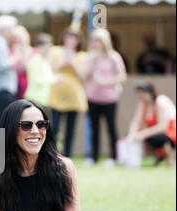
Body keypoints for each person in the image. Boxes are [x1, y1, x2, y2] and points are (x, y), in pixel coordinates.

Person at [81, 28, 127, 167]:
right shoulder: (89, 57)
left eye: (99, 40)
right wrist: (91, 61)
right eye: (94, 40)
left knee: (111, 127)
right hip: (92, 97)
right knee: (94, 128)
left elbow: (122, 76)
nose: (96, 43)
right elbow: (83, 76)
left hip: (109, 99)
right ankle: (93, 157)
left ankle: (114, 157)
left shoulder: (114, 57)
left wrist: (106, 82)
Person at [48, 27, 88, 157]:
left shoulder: (82, 56)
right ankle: (53, 155)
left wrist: (74, 65)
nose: (70, 39)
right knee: (54, 128)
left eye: (74, 37)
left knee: (70, 130)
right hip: (57, 95)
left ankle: (67, 155)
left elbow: (84, 77)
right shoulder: (55, 51)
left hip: (74, 96)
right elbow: (48, 70)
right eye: (68, 36)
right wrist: (62, 64)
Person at [126, 81, 176, 166]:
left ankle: (171, 157)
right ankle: (160, 155)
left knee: (157, 137)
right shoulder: (143, 103)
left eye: (142, 92)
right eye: (138, 93)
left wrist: (143, 133)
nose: (140, 95)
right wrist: (131, 136)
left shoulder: (160, 102)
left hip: (171, 131)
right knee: (143, 135)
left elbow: (163, 127)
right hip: (156, 131)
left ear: (150, 92)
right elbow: (136, 122)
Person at [24, 33, 55, 116]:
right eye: (46, 45)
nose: (49, 48)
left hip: (43, 101)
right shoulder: (35, 60)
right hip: (35, 99)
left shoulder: (44, 61)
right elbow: (38, 80)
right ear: (39, 46)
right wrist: (55, 79)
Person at [10, 25, 37, 100]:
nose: (20, 40)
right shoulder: (11, 53)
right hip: (17, 92)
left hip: (34, 92)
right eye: (17, 38)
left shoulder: (36, 52)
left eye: (22, 37)